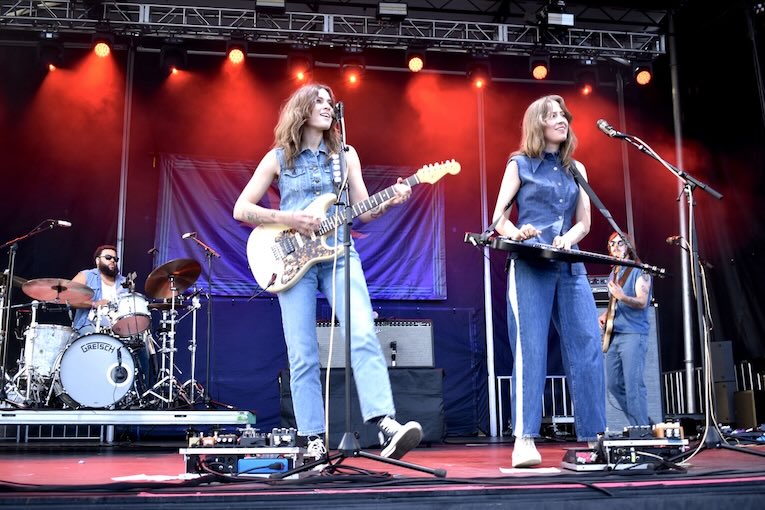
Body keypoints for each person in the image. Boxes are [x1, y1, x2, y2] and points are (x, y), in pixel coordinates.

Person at [232, 83, 422, 460]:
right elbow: (242, 209)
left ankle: (385, 422)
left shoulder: (346, 155)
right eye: (318, 100)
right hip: (290, 260)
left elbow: (364, 211)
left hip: (339, 253)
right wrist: (289, 218)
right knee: (302, 352)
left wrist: (393, 199)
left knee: (363, 333)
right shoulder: (278, 158)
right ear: (301, 109)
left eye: (329, 102)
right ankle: (313, 439)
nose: (327, 106)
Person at [491, 95, 606, 468]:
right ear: (537, 124)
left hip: (569, 265)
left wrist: (568, 239)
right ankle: (524, 438)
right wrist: (520, 231)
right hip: (529, 265)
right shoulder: (519, 163)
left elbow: (584, 223)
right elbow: (499, 220)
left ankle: (595, 435)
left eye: (563, 115)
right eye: (552, 115)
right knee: (531, 349)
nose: (561, 120)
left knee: (587, 344)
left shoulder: (578, 170)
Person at [599, 232, 653, 426]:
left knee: (633, 386)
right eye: (611, 243)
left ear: (629, 246)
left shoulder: (640, 271)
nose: (615, 246)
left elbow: (641, 301)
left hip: (633, 334)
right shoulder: (613, 272)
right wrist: (607, 314)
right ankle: (643, 424)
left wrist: (622, 297)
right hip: (615, 335)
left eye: (620, 243)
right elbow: (616, 301)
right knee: (613, 384)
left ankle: (642, 430)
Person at [71, 245, 126, 335]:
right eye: (108, 257)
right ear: (97, 261)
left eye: (115, 259)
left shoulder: (124, 281)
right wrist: (94, 304)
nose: (112, 260)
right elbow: (70, 299)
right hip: (89, 324)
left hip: (118, 327)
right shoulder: (86, 276)